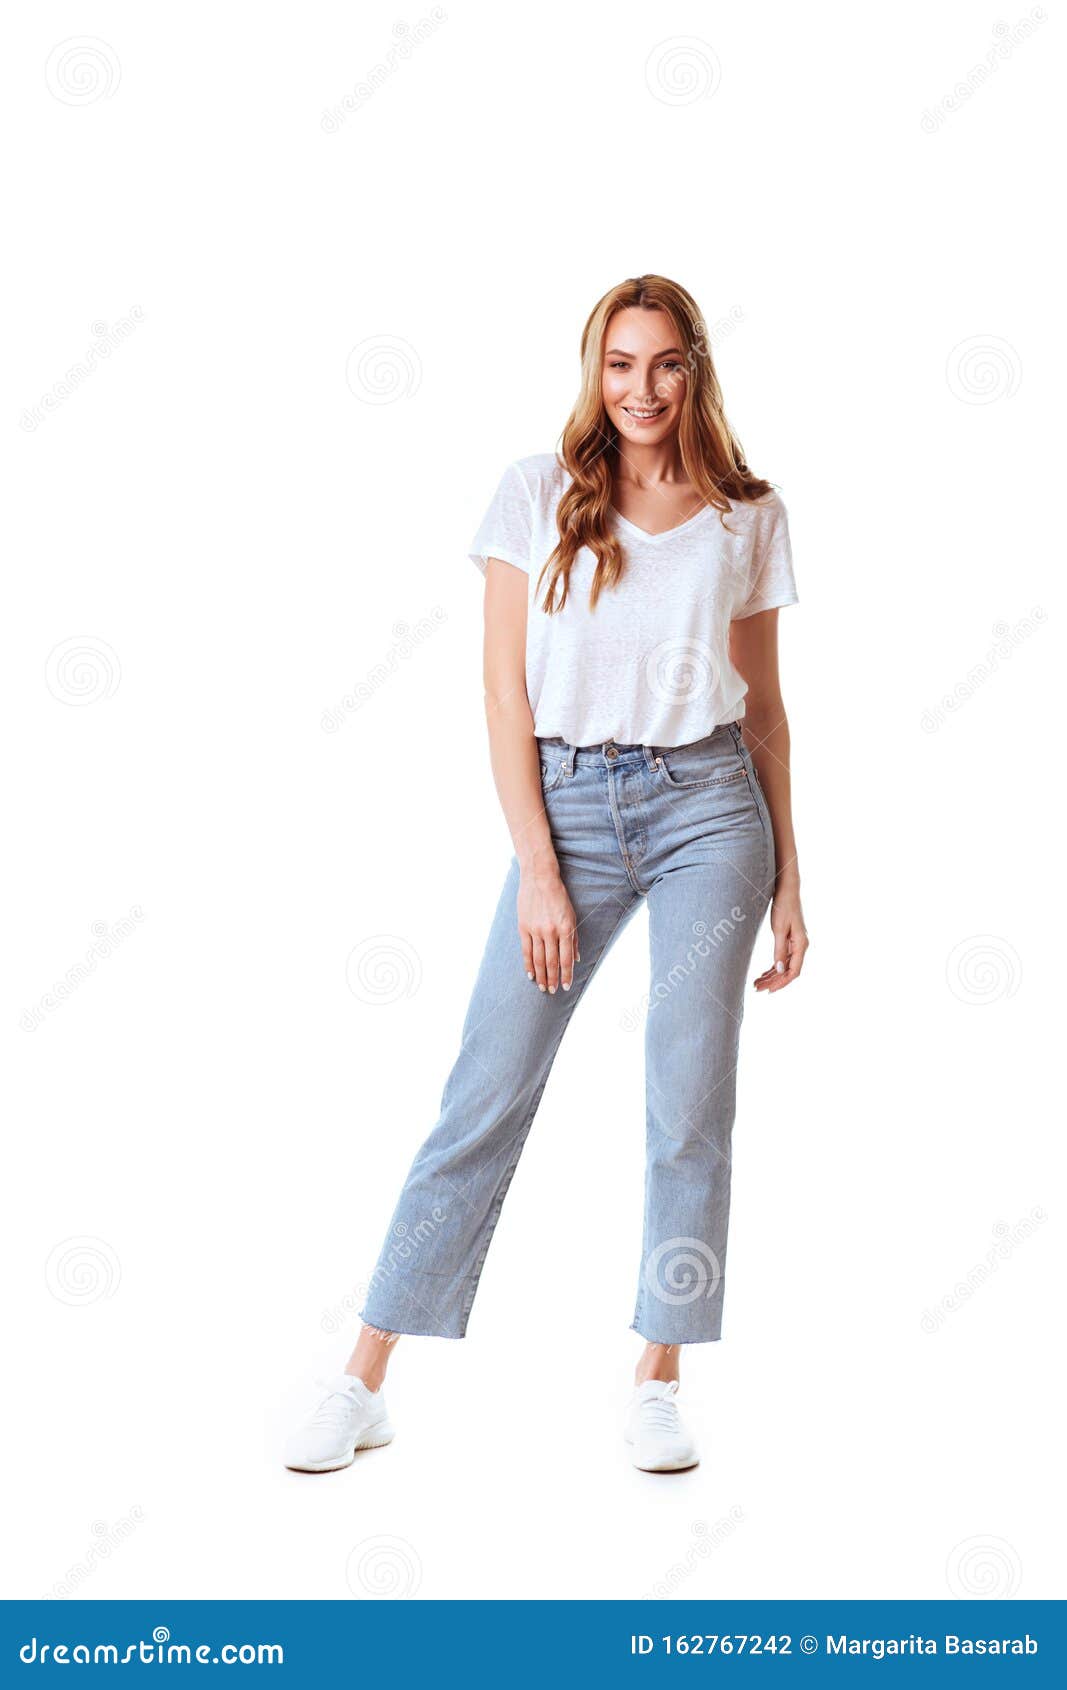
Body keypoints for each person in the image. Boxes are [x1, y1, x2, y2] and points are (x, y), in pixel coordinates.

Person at [285, 273, 808, 1476]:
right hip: (565, 807)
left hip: (709, 813)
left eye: (664, 363)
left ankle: (657, 1374)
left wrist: (789, 876)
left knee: (689, 1105)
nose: (641, 388)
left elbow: (768, 712)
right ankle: (362, 1373)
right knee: (485, 1089)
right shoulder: (536, 495)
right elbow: (500, 693)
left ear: (696, 370)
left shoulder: (747, 513)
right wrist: (536, 867)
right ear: (594, 372)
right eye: (619, 364)